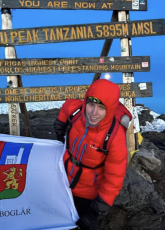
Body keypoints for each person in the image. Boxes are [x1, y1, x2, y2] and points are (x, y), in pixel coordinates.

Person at [54, 79, 131, 230]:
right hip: (61, 181)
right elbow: (67, 106)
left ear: (110, 109)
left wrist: (95, 212)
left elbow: (113, 179)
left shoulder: (115, 137)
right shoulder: (77, 111)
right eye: (91, 105)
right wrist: (60, 123)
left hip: (87, 193)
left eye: (101, 107)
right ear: (85, 103)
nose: (94, 113)